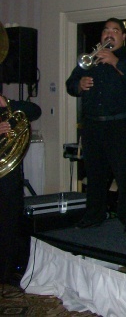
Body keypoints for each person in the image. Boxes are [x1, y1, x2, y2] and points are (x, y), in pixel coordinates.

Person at [66, 18, 126, 233]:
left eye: (115, 31)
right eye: (106, 31)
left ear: (123, 36)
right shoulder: (89, 60)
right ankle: (94, 215)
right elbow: (70, 84)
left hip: (120, 124)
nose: (109, 34)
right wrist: (79, 85)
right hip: (93, 125)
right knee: (95, 173)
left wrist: (114, 61)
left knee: (125, 175)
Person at [0, 96, 41, 286]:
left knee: (10, 224)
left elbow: (34, 110)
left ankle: (6, 272)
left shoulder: (8, 109)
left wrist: (7, 103)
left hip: (8, 178)